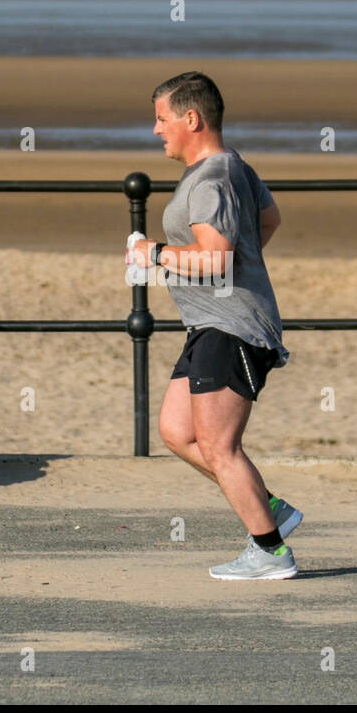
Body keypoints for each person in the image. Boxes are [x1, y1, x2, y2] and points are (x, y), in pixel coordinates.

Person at [130, 71, 302, 580]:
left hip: (232, 329)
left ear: (191, 118)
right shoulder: (232, 170)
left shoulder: (212, 179)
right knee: (176, 431)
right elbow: (269, 222)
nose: (156, 129)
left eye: (161, 119)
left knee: (219, 447)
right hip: (209, 325)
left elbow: (216, 259)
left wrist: (155, 254)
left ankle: (270, 551)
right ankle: (270, 510)